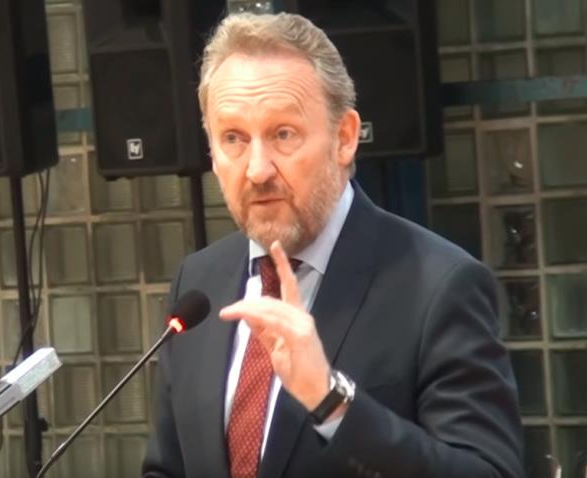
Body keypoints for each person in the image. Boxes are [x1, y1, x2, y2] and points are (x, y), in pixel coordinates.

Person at [142, 12, 523, 478]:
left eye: (283, 134)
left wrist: (331, 400)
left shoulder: (439, 287)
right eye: (233, 138)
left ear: (344, 138)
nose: (257, 169)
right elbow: (167, 468)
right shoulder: (198, 284)